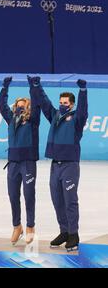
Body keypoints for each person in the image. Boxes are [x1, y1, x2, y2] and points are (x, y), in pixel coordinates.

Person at [31, 76, 88, 251]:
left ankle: (73, 234)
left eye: (65, 102)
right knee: (57, 200)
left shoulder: (77, 119)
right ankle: (64, 231)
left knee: (70, 201)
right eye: (61, 101)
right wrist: (37, 86)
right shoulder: (55, 115)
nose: (62, 104)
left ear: (71, 104)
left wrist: (83, 91)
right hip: (55, 165)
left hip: (70, 165)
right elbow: (45, 102)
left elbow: (83, 111)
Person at [0, 76, 41, 245]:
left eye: (23, 107)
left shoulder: (33, 121)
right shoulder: (11, 119)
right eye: (18, 106)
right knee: (13, 195)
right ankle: (17, 226)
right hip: (13, 164)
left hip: (28, 163)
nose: (20, 109)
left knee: (29, 195)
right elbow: (2, 107)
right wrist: (5, 87)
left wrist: (33, 86)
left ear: (28, 108)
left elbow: (37, 104)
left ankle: (30, 226)